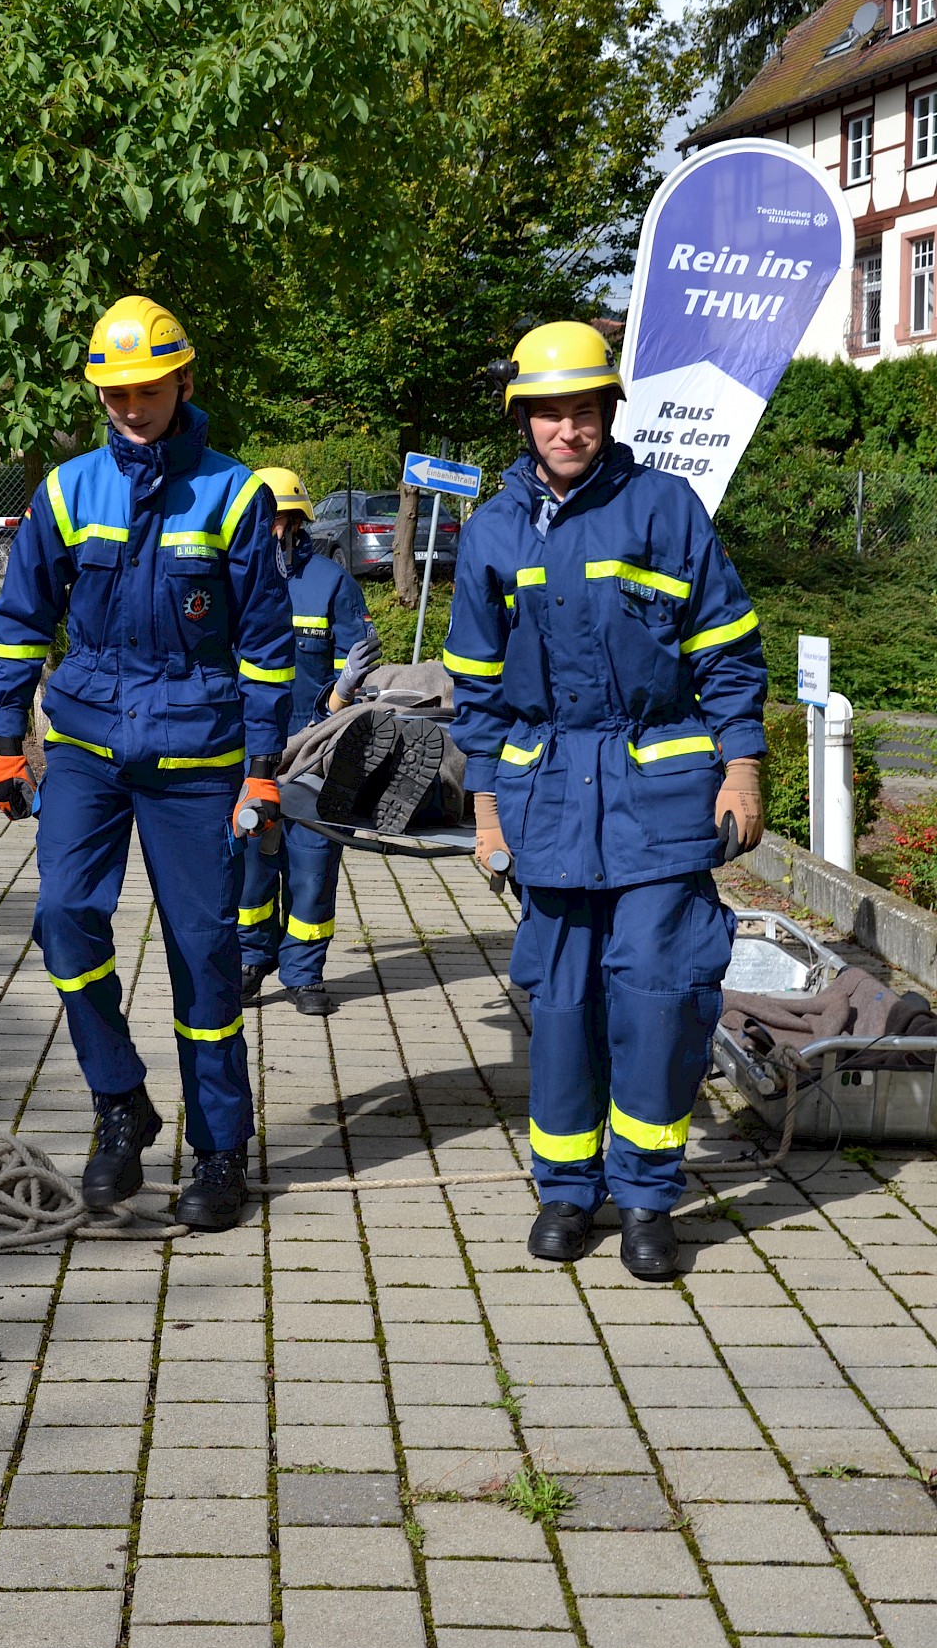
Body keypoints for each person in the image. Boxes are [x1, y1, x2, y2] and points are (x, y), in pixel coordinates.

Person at [445, 321, 767, 1279]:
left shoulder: (666, 510)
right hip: (546, 801)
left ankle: (647, 1198)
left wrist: (742, 767)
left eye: (583, 410)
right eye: (549, 413)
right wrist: (487, 805)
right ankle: (564, 1191)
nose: (567, 429)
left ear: (607, 413)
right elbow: (476, 689)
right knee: (561, 1000)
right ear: (524, 420)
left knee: (659, 998)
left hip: (659, 800)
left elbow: (728, 652)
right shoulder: (493, 533)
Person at [0, 295, 294, 1230]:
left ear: (183, 382)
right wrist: (7, 743)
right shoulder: (67, 489)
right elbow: (21, 617)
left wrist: (266, 766)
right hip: (84, 745)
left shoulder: (237, 495)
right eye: (116, 391)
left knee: (205, 955)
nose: (131, 404)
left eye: (147, 387)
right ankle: (120, 1104)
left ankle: (219, 1151)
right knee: (64, 919)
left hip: (200, 758)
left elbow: (269, 651)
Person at [238, 468, 381, 1015]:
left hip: (319, 744)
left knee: (313, 865)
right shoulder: (234, 580)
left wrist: (343, 691)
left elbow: (355, 665)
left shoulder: (332, 582)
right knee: (249, 862)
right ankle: (251, 961)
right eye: (261, 519)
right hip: (252, 741)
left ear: (298, 523)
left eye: (278, 519)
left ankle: (305, 974)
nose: (270, 530)